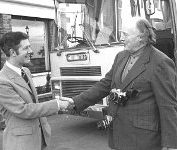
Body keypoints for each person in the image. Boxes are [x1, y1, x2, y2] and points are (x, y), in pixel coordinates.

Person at [60, 17, 177, 150]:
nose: (121, 38)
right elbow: (104, 85)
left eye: (126, 34)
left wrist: (171, 144)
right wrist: (76, 102)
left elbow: (168, 106)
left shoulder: (160, 62)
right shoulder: (120, 56)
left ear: (141, 37)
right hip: (119, 135)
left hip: (144, 140)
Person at [0, 31, 69, 150]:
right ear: (13, 52)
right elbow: (24, 110)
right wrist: (57, 104)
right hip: (21, 144)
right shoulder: (1, 82)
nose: (31, 51)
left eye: (30, 46)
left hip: (40, 138)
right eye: (26, 48)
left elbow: (34, 103)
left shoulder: (26, 72)